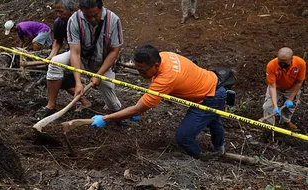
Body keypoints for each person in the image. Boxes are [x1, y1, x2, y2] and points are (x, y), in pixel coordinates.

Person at [90, 44, 226, 159]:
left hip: (210, 97)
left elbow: (138, 108)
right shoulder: (163, 56)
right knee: (213, 119)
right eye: (137, 69)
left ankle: (199, 159)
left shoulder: (166, 79)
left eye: (142, 71)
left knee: (183, 137)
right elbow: (147, 98)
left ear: (155, 65)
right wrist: (137, 108)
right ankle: (219, 147)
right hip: (212, 82)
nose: (140, 73)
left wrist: (106, 118)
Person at [36, 0, 123, 119]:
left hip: (102, 62)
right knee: (55, 63)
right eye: (88, 16)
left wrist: (98, 75)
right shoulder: (74, 20)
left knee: (113, 105)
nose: (92, 19)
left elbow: (114, 51)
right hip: (81, 57)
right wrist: (78, 82)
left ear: (101, 8)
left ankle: (116, 112)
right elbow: (75, 52)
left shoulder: (113, 20)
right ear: (82, 11)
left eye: (95, 15)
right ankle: (50, 106)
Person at [262, 47, 306, 130]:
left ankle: (286, 120)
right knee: (267, 106)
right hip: (276, 88)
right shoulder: (271, 65)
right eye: (280, 62)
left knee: (291, 106)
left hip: (291, 88)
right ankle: (269, 126)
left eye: (285, 63)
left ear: (291, 59)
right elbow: (272, 86)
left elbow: (299, 82)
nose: (282, 65)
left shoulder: (300, 63)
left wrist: (290, 98)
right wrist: (275, 106)